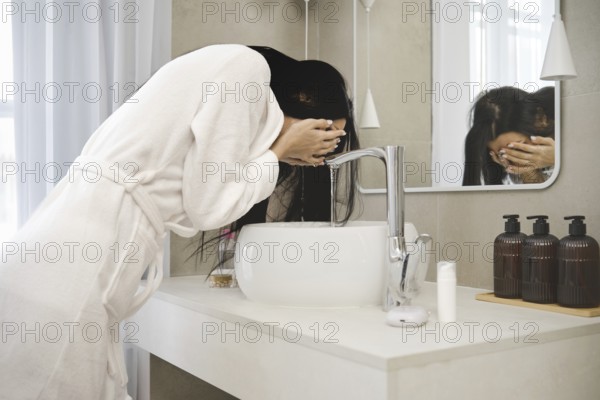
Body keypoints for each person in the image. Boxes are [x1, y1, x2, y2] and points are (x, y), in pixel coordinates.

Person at [0, 44, 358, 400]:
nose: (319, 149)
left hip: (61, 253)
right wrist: (278, 151)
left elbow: (199, 193)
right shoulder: (246, 68)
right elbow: (210, 207)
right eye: (323, 134)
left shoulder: (227, 73)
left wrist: (274, 151)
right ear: (304, 96)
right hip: (77, 269)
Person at [463, 86, 555, 185]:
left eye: (518, 149)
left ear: (540, 120)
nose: (514, 157)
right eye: (502, 153)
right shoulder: (509, 164)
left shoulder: (567, 120)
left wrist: (557, 159)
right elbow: (543, 199)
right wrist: (526, 172)